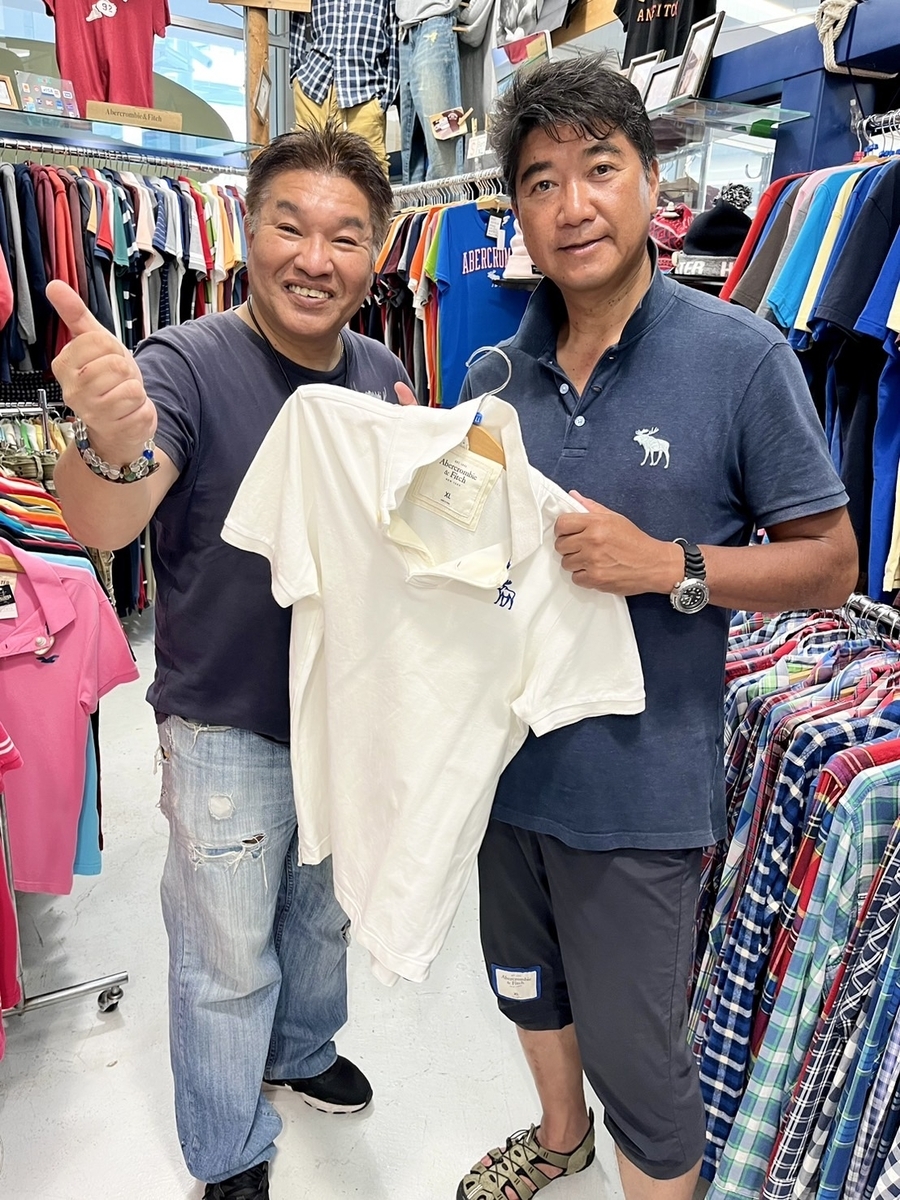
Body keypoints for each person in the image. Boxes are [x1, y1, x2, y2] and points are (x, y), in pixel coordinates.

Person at [450, 56, 859, 1200]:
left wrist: (670, 566)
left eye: (599, 169)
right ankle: (558, 1138)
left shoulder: (741, 359)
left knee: (643, 1069)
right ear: (516, 210)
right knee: (523, 983)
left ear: (650, 182)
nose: (572, 205)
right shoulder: (494, 372)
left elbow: (832, 566)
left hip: (638, 794)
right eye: (540, 181)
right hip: (500, 772)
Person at [47, 126, 415, 1200]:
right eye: (291, 227)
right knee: (222, 955)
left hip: (346, 718)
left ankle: (299, 1051)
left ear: (377, 254)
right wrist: (109, 442)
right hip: (226, 721)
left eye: (345, 236)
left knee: (323, 916)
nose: (316, 258)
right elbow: (104, 520)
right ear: (248, 233)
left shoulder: (383, 372)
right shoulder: (185, 365)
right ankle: (228, 1147)